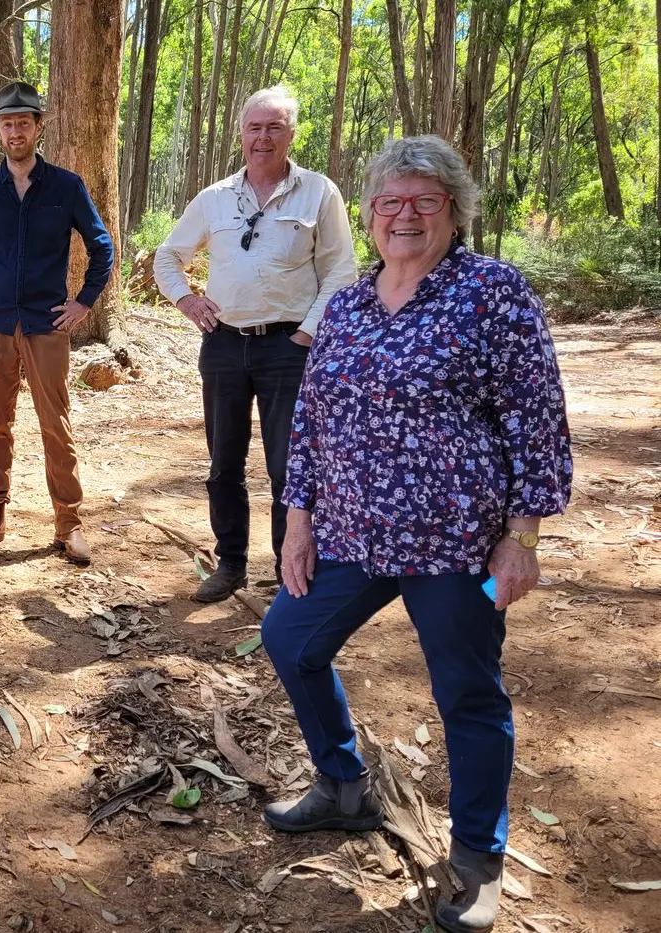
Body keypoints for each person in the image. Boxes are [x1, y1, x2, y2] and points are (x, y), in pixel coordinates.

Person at [259, 135, 572, 933]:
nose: (405, 215)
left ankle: (476, 858)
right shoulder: (351, 303)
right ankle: (344, 785)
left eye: (424, 200)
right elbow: (314, 421)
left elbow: (536, 422)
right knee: (290, 637)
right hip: (353, 536)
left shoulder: (493, 292)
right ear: (367, 215)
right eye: (391, 201)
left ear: (454, 212)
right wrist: (299, 520)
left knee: (468, 693)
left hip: (458, 545)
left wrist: (522, 539)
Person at [154, 86, 357, 602]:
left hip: (289, 348)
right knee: (223, 462)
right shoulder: (215, 198)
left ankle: (289, 571)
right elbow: (166, 257)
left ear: (290, 135)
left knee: (287, 466)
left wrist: (307, 333)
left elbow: (340, 270)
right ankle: (231, 564)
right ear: (241, 134)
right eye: (254, 127)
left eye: (274, 128)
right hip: (223, 345)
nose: (262, 137)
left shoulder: (319, 193)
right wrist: (189, 303)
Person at [0, 81, 114, 565]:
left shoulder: (66, 186)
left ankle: (69, 523)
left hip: (46, 324)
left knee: (55, 425)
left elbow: (101, 246)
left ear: (39, 127)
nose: (15, 131)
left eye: (23, 122)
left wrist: (82, 302)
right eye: (6, 123)